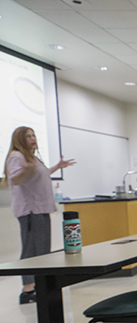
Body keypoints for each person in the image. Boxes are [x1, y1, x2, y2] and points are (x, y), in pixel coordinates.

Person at [3, 126, 75, 304]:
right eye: (28, 136)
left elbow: (40, 175)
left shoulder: (31, 157)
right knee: (32, 250)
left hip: (40, 208)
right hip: (30, 210)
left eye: (34, 135)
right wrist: (27, 169)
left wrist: (57, 167)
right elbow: (15, 179)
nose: (33, 138)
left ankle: (39, 285)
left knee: (42, 250)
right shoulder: (16, 156)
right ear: (20, 139)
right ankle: (27, 290)